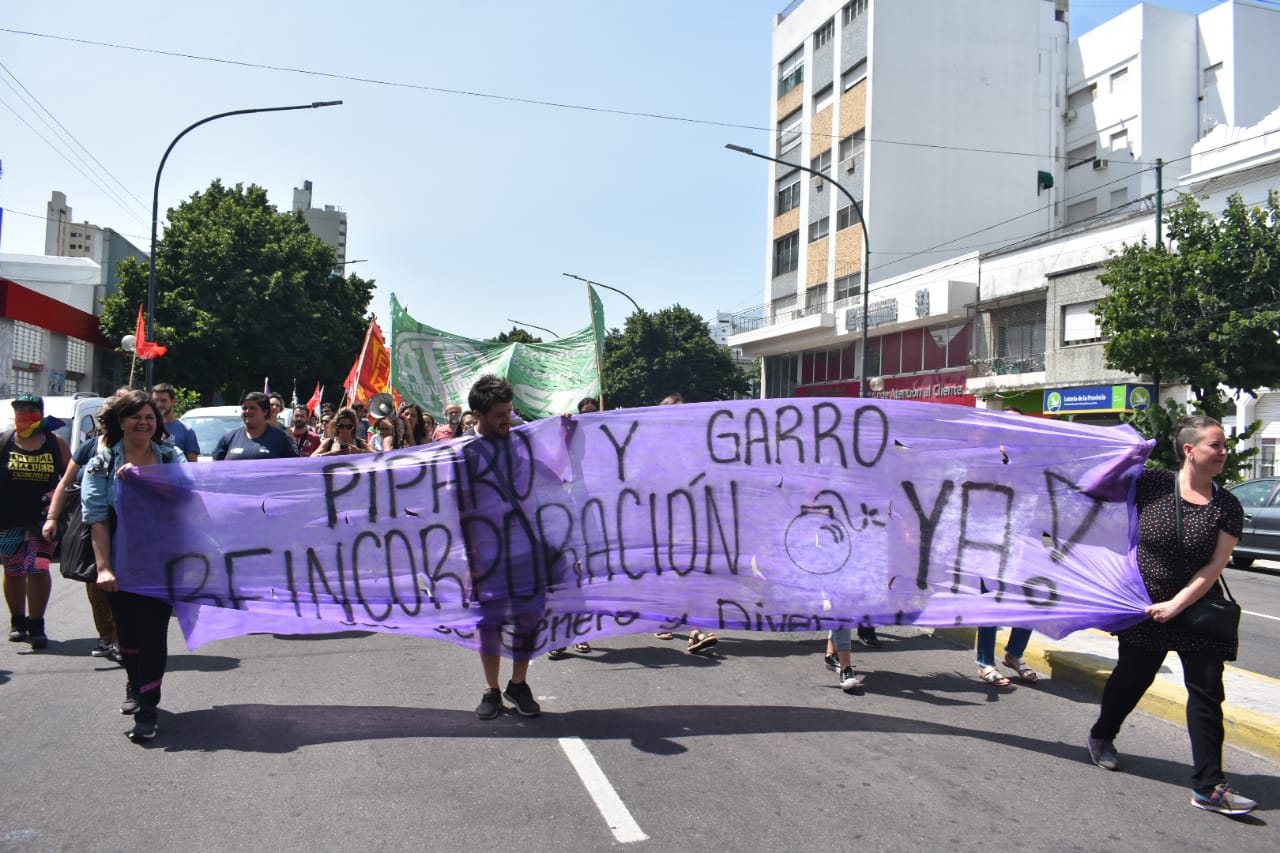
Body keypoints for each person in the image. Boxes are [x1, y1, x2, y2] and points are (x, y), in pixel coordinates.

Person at [1086, 416, 1255, 816]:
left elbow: (1215, 566)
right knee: (1131, 680)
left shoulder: (1227, 505)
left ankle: (1209, 786)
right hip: (1146, 610)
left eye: (1225, 445)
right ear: (1189, 450)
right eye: (1216, 445)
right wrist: (1125, 456)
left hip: (1197, 611)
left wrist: (1177, 604)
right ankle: (1102, 734)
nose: (1224, 452)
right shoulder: (1153, 483)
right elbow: (1093, 488)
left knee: (1207, 694)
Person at [82, 390, 187, 741]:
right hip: (120, 563)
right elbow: (96, 518)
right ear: (121, 422)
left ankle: (148, 706)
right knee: (127, 635)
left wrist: (147, 482)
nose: (144, 423)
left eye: (150, 417)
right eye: (136, 417)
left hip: (163, 561)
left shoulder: (171, 456)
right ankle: (134, 681)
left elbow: (189, 496)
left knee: (153, 633)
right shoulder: (102, 463)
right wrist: (104, 568)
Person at [463, 375, 542, 720]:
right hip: (488, 555)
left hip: (527, 550)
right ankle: (492, 689)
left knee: (529, 617)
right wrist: (470, 559)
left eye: (509, 412)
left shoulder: (522, 441)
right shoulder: (462, 452)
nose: (506, 419)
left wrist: (568, 428)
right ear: (477, 415)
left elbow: (558, 454)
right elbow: (460, 508)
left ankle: (519, 683)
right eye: (499, 414)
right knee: (489, 622)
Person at [42, 389, 131, 661]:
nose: (101, 419)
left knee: (122, 583)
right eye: (101, 415)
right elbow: (65, 483)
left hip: (125, 521)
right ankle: (106, 637)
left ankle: (124, 639)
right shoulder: (89, 446)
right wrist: (52, 517)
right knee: (94, 582)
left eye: (107, 415)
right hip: (89, 520)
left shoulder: (133, 445)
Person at [649, 392, 719, 650]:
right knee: (670, 572)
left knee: (692, 571)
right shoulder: (652, 448)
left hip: (690, 517)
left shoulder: (694, 445)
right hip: (662, 518)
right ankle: (667, 620)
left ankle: (694, 630)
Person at [2, 395, 70, 649]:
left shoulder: (55, 442)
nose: (26, 414)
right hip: (8, 520)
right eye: (21, 410)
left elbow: (69, 479)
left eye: (32, 410)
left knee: (38, 568)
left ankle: (37, 623)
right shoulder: (5, 440)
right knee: (13, 569)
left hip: (43, 522)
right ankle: (17, 622)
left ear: (41, 413)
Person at [547, 395, 603, 661]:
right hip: (563, 517)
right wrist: (565, 430)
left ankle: (582, 633)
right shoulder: (566, 439)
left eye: (594, 413)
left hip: (590, 517)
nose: (588, 417)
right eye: (585, 413)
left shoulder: (605, 439)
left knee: (584, 579)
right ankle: (559, 636)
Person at [212, 392, 299, 461]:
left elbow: (294, 467)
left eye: (252, 408)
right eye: (244, 408)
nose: (247, 411)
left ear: (265, 411)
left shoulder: (281, 438)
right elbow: (216, 470)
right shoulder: (228, 438)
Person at [151, 383, 199, 462]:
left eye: (163, 401)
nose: (158, 404)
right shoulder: (148, 427)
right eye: (155, 401)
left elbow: (192, 465)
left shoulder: (186, 430)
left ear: (174, 402)